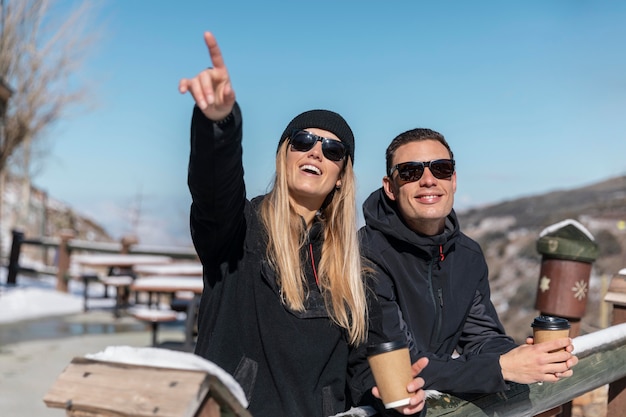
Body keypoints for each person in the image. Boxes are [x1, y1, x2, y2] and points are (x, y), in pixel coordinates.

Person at [178, 32, 427, 417]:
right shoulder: (237, 231)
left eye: (333, 150)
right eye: (304, 140)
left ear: (342, 175)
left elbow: (359, 369)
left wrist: (390, 391)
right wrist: (219, 125)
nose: (316, 151)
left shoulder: (353, 269)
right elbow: (213, 188)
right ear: (284, 154)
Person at [349, 127, 578, 414]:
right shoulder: (366, 254)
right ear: (390, 186)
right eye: (410, 172)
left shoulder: (466, 255)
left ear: (454, 180)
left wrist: (524, 357)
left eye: (441, 169)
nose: (428, 180)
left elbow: (481, 335)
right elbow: (399, 364)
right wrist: (500, 368)